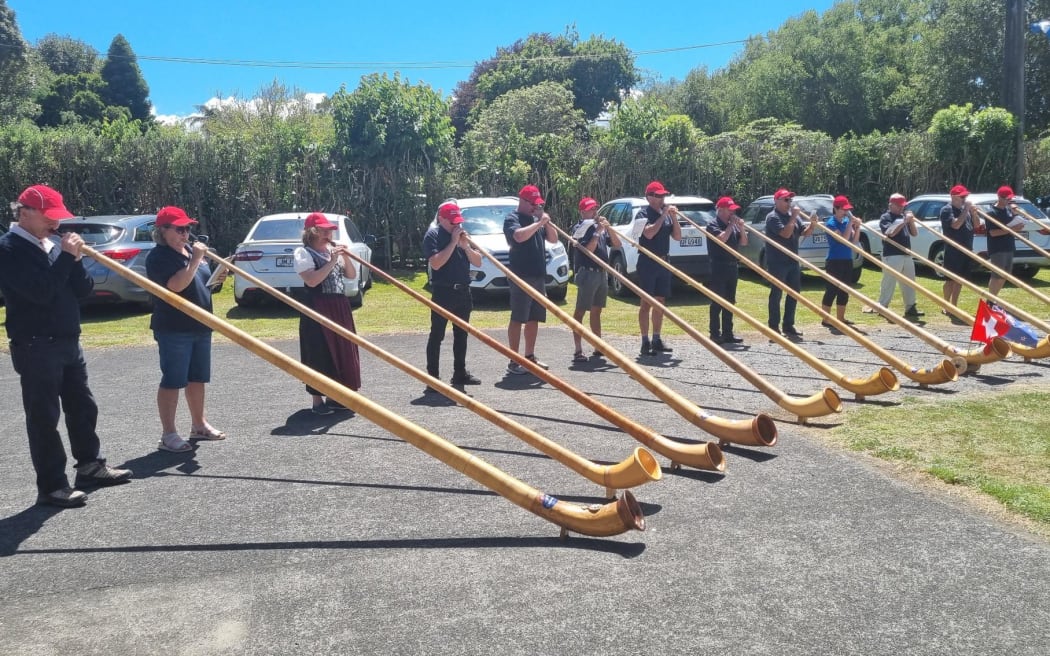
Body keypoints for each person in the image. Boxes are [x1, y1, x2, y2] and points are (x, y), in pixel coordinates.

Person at [0, 184, 131, 507]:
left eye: (57, 217)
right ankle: (52, 486)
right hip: (35, 344)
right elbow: (40, 292)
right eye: (48, 216)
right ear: (24, 212)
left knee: (83, 407)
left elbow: (83, 290)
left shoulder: (54, 246)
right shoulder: (9, 249)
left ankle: (90, 466)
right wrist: (66, 258)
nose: (55, 223)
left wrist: (76, 260)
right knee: (44, 417)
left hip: (68, 339)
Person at [145, 206, 228, 452]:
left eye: (187, 228)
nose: (185, 234)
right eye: (179, 229)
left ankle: (199, 425)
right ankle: (168, 434)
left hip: (200, 323)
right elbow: (176, 286)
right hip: (174, 327)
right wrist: (195, 261)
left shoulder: (191, 251)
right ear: (163, 231)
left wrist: (216, 279)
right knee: (173, 380)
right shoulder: (159, 257)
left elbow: (200, 284)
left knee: (197, 378)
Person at [294, 212, 362, 413]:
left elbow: (351, 276)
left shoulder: (331, 252)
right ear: (312, 233)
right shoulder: (303, 253)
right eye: (323, 231)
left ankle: (337, 396)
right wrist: (332, 261)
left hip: (339, 306)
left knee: (343, 349)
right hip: (317, 307)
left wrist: (346, 257)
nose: (328, 235)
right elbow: (312, 281)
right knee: (319, 351)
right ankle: (317, 401)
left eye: (330, 231)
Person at [423, 201, 483, 392]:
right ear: (441, 219)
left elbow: (478, 262)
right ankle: (432, 377)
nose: (456, 225)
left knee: (462, 334)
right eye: (452, 222)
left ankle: (460, 372)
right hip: (444, 292)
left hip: (463, 291)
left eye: (458, 221)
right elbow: (436, 263)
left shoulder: (463, 236)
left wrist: (466, 247)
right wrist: (452, 243)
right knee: (437, 335)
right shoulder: (433, 235)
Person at [503, 185, 558, 375]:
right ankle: (513, 360)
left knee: (534, 317)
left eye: (538, 204)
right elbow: (518, 237)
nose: (536, 207)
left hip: (538, 275)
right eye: (533, 203)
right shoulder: (512, 218)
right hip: (521, 276)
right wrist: (539, 222)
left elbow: (553, 239)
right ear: (523, 201)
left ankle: (529, 356)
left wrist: (546, 222)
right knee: (518, 317)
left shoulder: (537, 219)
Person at [570, 197, 621, 361]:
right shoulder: (580, 228)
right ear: (582, 212)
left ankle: (598, 346)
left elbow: (617, 244)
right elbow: (588, 250)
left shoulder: (600, 227)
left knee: (597, 310)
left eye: (595, 209)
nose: (594, 212)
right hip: (587, 272)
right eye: (590, 209)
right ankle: (578, 349)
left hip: (601, 272)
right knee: (580, 310)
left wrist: (608, 228)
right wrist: (598, 231)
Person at [634, 181, 681, 355]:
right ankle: (645, 341)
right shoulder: (642, 214)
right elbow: (649, 233)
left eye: (663, 195)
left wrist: (673, 217)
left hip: (663, 261)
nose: (662, 199)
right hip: (647, 262)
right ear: (649, 197)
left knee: (660, 301)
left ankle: (656, 338)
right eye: (659, 196)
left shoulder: (666, 214)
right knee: (646, 302)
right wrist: (663, 215)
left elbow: (677, 237)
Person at [764, 188, 817, 338]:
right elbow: (786, 234)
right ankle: (773, 326)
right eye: (786, 200)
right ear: (776, 201)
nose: (789, 203)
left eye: (790, 200)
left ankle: (788, 325)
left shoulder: (793, 217)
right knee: (776, 293)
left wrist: (812, 225)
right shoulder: (772, 217)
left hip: (792, 260)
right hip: (777, 262)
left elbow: (804, 233)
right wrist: (793, 216)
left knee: (794, 293)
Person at [870, 193, 923, 319]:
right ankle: (883, 307)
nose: (901, 208)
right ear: (891, 205)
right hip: (892, 254)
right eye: (899, 206)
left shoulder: (902, 217)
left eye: (902, 206)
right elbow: (891, 233)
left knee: (909, 282)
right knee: (889, 282)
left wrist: (911, 221)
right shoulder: (886, 217)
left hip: (906, 253)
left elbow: (914, 233)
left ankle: (910, 307)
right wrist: (904, 221)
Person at [705, 196, 748, 344]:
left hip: (732, 266)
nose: (733, 213)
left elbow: (744, 242)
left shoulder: (733, 225)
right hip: (718, 266)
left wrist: (741, 228)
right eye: (730, 210)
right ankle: (714, 333)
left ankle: (728, 333)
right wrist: (731, 226)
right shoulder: (712, 224)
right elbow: (721, 239)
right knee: (717, 301)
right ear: (721, 210)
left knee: (730, 301)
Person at [819, 195, 862, 327]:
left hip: (847, 259)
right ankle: (826, 319)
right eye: (844, 209)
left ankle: (841, 319)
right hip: (834, 261)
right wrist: (850, 223)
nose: (846, 212)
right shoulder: (831, 223)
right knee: (831, 290)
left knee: (844, 290)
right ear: (836, 209)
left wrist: (857, 227)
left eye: (847, 210)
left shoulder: (845, 222)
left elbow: (854, 241)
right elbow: (843, 239)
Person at [938, 184, 977, 310]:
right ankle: (946, 305)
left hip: (966, 249)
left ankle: (954, 306)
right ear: (954, 197)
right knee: (950, 279)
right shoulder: (947, 210)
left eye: (965, 196)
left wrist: (974, 213)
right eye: (962, 197)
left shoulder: (965, 211)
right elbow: (955, 225)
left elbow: (976, 225)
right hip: (953, 251)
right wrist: (966, 210)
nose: (965, 199)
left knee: (960, 280)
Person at [986, 185, 1021, 296]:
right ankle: (991, 300)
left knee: (1005, 275)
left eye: (1010, 198)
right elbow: (993, 232)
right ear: (999, 197)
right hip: (997, 248)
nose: (1009, 201)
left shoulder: (1009, 210)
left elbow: (1016, 224)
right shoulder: (991, 213)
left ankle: (994, 299)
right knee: (997, 275)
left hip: (1009, 246)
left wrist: (1016, 214)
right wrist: (1012, 229)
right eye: (1007, 198)